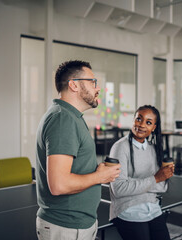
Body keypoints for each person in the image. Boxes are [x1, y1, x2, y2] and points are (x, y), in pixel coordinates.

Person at [35, 60, 121, 240]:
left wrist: (98, 170)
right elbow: (59, 185)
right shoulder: (62, 119)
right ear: (73, 85)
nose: (98, 88)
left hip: (77, 224)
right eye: (93, 82)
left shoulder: (72, 117)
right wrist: (100, 177)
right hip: (66, 227)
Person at [109, 105, 174, 240]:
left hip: (153, 209)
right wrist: (154, 179)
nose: (142, 125)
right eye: (139, 119)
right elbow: (119, 189)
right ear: (133, 120)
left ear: (153, 128)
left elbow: (163, 186)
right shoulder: (120, 147)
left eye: (148, 122)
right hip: (127, 209)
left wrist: (133, 182)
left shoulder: (153, 149)